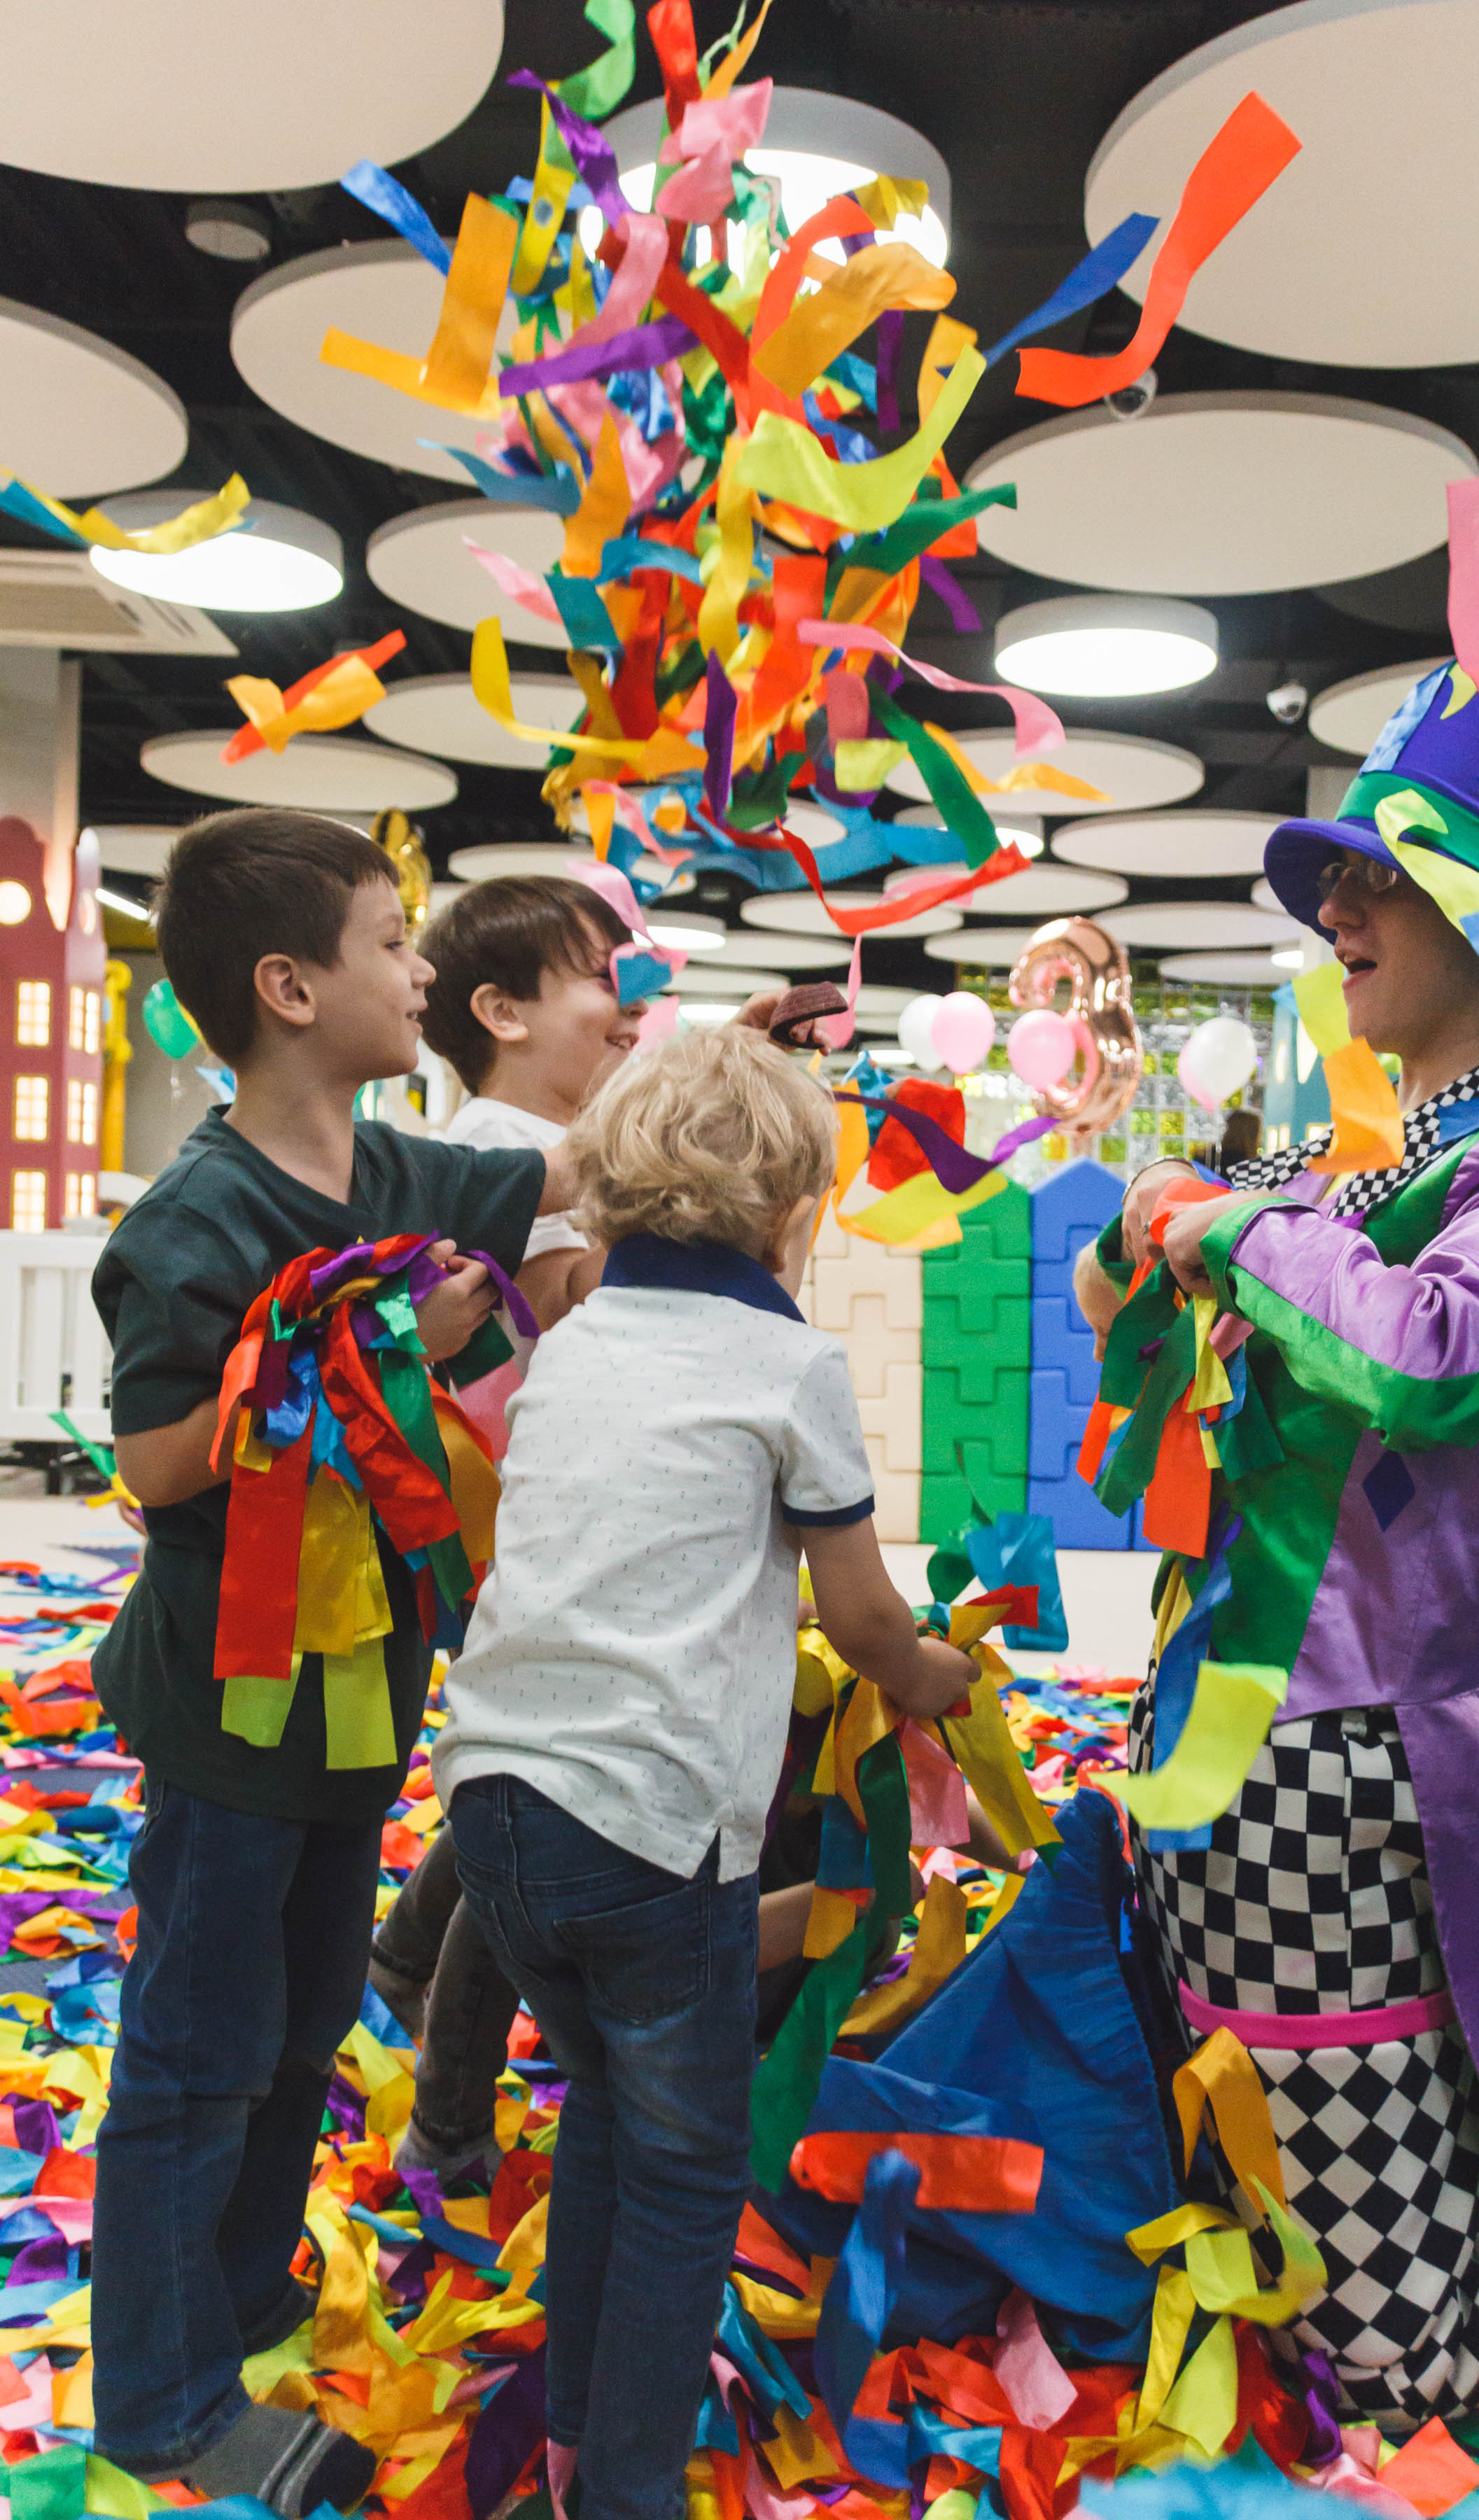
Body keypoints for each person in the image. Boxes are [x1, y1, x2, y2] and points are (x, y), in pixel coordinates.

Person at [1075, 662, 1479, 2423]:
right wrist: (1147, 1254)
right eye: (1339, 875)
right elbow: (1195, 1372)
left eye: (1380, 874)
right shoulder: (1387, 1185)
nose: (1336, 907)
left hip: (1333, 1785)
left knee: (1384, 2339)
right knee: (1281, 2215)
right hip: (1239, 1768)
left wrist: (1235, 1225)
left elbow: (1445, 1348)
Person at [88, 811, 580, 2512]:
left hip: (362, 1692)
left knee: (301, 2022)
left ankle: (234, 2295)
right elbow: (155, 1458)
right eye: (393, 942)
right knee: (192, 2046)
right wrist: (376, 1341)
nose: (424, 970)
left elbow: (567, 1186)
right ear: (292, 988)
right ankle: (156, 2400)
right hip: (233, 1711)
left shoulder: (402, 1172)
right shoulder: (194, 1220)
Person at [430, 1023, 976, 2520]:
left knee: (605, 2106)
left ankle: (568, 2446)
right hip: (650, 1823)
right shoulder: (789, 1363)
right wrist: (936, 1679)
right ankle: (622, 2490)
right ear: (792, 1213)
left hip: (493, 1811)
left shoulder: (578, 1343)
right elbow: (863, 1619)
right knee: (686, 2171)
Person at [367, 874, 641, 2192]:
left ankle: (407, 1955)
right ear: (500, 1012)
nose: (627, 1007)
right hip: (513, 1539)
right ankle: (453, 2118)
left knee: (519, 1793)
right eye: (599, 974)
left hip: (554, 1532)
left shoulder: (524, 1151)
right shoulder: (487, 1156)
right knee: (543, 1806)